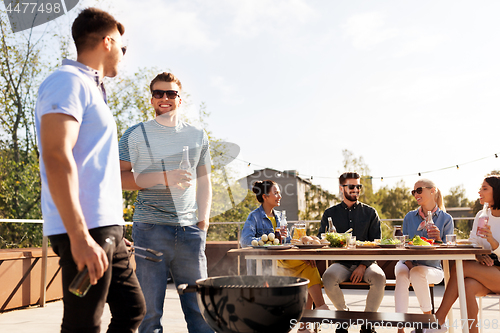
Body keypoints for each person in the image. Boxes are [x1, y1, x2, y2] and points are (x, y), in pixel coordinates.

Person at [34, 8, 145, 333]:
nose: (123, 58)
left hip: (105, 227)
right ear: (107, 41)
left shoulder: (90, 88)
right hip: (85, 228)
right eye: (122, 49)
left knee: (131, 310)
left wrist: (115, 228)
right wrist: (81, 236)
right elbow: (56, 155)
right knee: (83, 325)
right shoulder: (66, 82)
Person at [119, 72, 213, 333]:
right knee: (149, 314)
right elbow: (118, 177)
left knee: (202, 311)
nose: (164, 98)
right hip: (149, 229)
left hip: (190, 230)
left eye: (171, 93)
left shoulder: (197, 135)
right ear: (151, 100)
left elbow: (205, 182)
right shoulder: (134, 134)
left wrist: (203, 223)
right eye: (158, 93)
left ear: (179, 100)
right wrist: (163, 177)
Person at [240, 180, 329, 333]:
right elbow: (245, 241)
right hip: (269, 264)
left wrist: (289, 239)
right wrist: (267, 239)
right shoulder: (254, 217)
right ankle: (314, 313)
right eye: (276, 193)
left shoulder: (280, 216)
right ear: (265, 196)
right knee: (307, 265)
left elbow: (286, 242)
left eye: (279, 192)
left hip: (284, 260)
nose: (280, 196)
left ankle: (307, 322)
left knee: (309, 263)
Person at [318, 172, 385, 333]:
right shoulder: (329, 213)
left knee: (380, 277)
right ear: (342, 188)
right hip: (341, 263)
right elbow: (323, 240)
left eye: (358, 186)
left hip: (367, 263)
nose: (356, 189)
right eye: (352, 186)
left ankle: (368, 322)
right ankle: (343, 317)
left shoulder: (370, 212)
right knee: (327, 278)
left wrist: (363, 265)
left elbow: (376, 243)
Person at [432, 175, 500, 333]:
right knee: (467, 285)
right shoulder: (481, 215)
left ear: (496, 192)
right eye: (480, 188)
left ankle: (439, 320)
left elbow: (492, 245)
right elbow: (474, 241)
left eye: (485, 189)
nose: (480, 192)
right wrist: (478, 255)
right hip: (488, 272)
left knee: (462, 266)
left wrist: (492, 240)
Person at [394, 179, 454, 333]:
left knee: (417, 271)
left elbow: (449, 249)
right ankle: (400, 329)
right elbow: (404, 244)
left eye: (419, 190)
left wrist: (439, 240)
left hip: (433, 268)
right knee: (401, 273)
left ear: (432, 190)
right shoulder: (409, 217)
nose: (416, 194)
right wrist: (408, 261)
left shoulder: (446, 219)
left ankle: (429, 322)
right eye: (414, 192)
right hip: (407, 261)